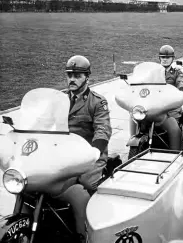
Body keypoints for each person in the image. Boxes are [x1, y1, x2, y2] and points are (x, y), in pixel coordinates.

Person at [58, 55, 113, 242]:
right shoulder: (60, 99)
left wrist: (95, 151)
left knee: (87, 183)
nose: (72, 79)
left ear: (87, 78)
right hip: (64, 155)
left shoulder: (97, 101)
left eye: (77, 75)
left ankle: (91, 228)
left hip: (89, 156)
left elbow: (103, 129)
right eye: (69, 75)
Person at [130, 45, 183, 151]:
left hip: (168, 109)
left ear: (172, 58)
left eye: (167, 57)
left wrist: (181, 89)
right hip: (151, 107)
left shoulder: (177, 72)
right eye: (162, 57)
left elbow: (180, 82)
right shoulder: (152, 72)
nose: (164, 59)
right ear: (159, 58)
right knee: (133, 115)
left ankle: (175, 153)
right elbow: (142, 83)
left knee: (173, 127)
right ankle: (133, 138)